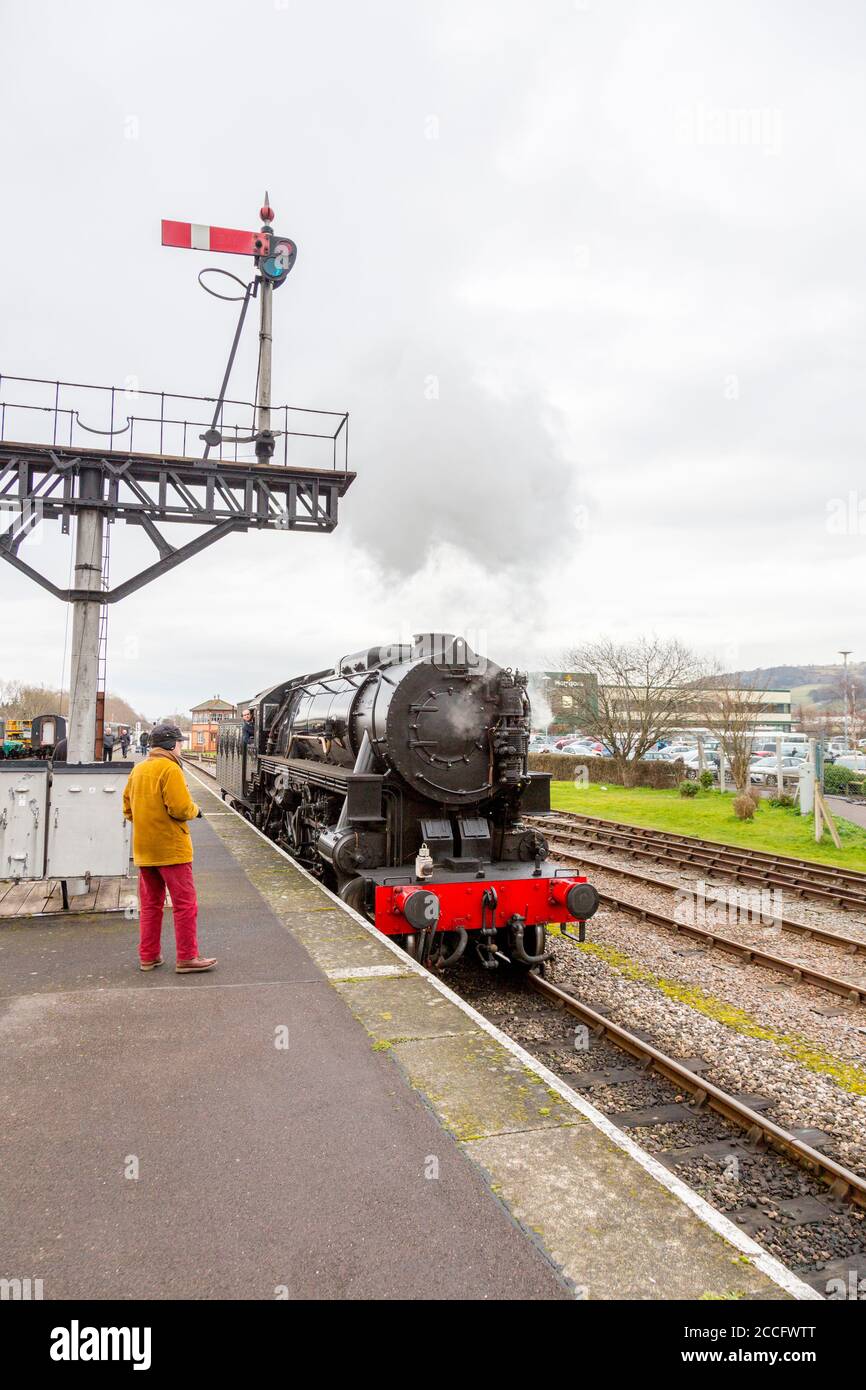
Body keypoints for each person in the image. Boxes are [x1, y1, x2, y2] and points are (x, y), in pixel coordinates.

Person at [122, 722, 217, 974]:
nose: (181, 748)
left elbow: (127, 809)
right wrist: (196, 810)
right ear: (172, 744)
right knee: (185, 904)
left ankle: (148, 957)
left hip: (145, 850)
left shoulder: (139, 770)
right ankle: (187, 957)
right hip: (172, 850)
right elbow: (180, 807)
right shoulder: (171, 769)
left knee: (151, 905)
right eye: (180, 743)